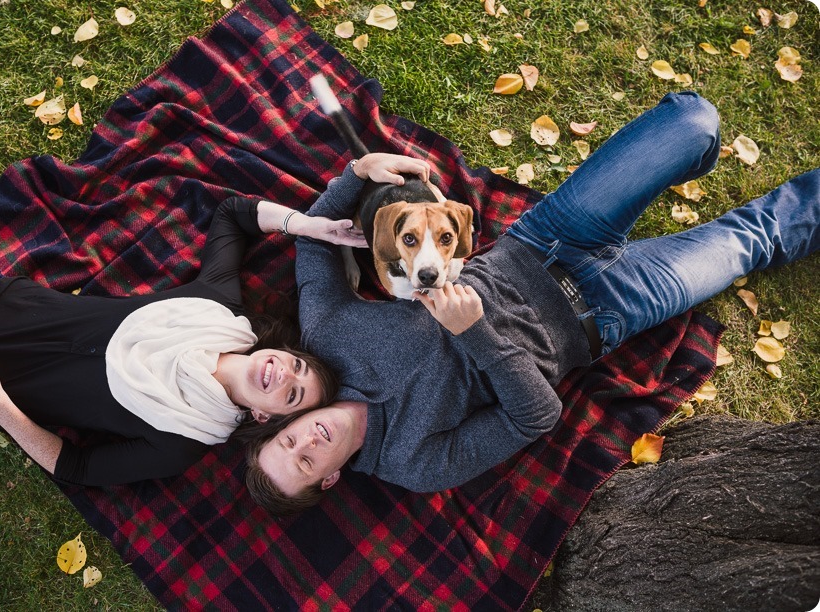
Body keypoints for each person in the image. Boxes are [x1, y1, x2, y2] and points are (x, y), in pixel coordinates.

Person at [244, 92, 820, 515]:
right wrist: (475, 334)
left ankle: (689, 159)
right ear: (329, 480)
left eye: (289, 440)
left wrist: (355, 173)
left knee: (695, 120)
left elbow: (313, 251)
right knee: (753, 240)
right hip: (605, 313)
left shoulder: (325, 346)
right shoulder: (414, 465)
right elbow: (535, 416)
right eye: (304, 463)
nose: (308, 443)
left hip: (542, 241)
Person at [0, 189, 380, 487]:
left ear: (263, 415)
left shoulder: (182, 443)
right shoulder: (219, 308)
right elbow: (233, 215)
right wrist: (306, 225)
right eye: (296, 364)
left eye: (291, 395)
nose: (283, 374)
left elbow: (77, 468)